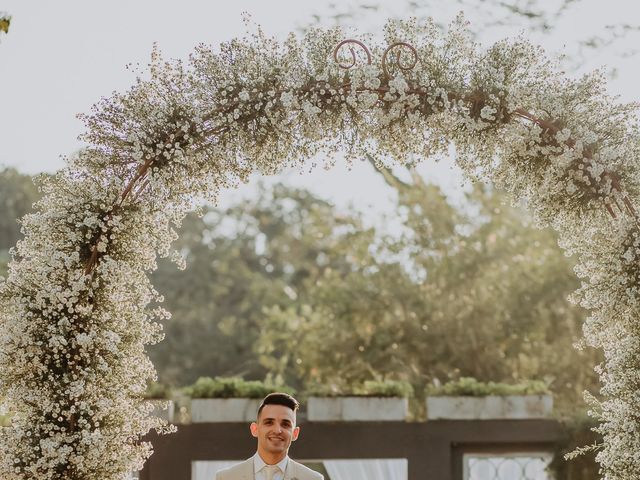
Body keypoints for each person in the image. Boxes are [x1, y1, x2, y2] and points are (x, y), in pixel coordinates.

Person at [215, 392, 323, 480]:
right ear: (255, 429)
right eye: (269, 422)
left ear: (295, 433)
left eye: (285, 424)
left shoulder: (313, 479)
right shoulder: (226, 478)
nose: (277, 430)